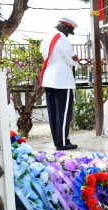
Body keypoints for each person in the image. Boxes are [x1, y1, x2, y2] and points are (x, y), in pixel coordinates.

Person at [40, 17, 79, 150]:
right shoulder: (62, 38)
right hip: (62, 78)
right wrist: (75, 61)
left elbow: (43, 55)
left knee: (53, 113)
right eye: (69, 31)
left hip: (49, 76)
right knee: (63, 112)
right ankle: (63, 142)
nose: (68, 34)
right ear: (65, 26)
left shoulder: (46, 37)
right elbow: (72, 58)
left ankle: (58, 141)